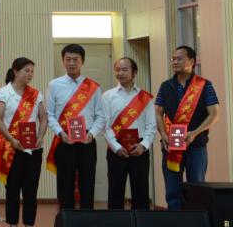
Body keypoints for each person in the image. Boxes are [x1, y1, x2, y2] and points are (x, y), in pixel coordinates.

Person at [155, 45, 221, 210]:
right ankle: (176, 222)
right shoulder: (166, 86)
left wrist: (195, 133)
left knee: (197, 188)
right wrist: (163, 134)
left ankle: (197, 222)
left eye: (179, 59)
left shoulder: (204, 85)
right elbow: (158, 113)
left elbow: (214, 114)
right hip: (171, 145)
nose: (175, 62)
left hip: (196, 145)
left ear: (191, 61)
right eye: (173, 59)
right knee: (172, 191)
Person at [0, 57, 48, 227]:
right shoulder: (3, 93)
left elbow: (43, 118)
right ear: (15, 71)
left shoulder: (36, 94)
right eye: (26, 71)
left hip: (33, 150)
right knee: (12, 192)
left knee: (31, 192)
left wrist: (40, 137)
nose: (29, 74)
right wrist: (11, 139)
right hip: (11, 150)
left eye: (32, 71)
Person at [46, 43, 105, 210]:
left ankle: (86, 220)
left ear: (82, 61)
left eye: (75, 59)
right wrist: (60, 133)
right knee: (65, 183)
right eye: (68, 59)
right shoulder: (54, 85)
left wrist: (92, 133)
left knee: (88, 182)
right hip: (64, 139)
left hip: (87, 139)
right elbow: (50, 114)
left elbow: (101, 116)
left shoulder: (93, 87)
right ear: (63, 61)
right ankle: (66, 219)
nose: (72, 63)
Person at [102, 57, 156, 211]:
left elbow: (151, 125)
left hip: (139, 148)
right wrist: (116, 147)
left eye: (125, 69)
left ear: (134, 72)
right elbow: (105, 126)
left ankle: (141, 224)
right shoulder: (107, 96)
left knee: (141, 191)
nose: (120, 73)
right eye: (117, 70)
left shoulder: (145, 97)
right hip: (116, 148)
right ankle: (116, 224)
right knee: (115, 191)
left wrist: (143, 145)